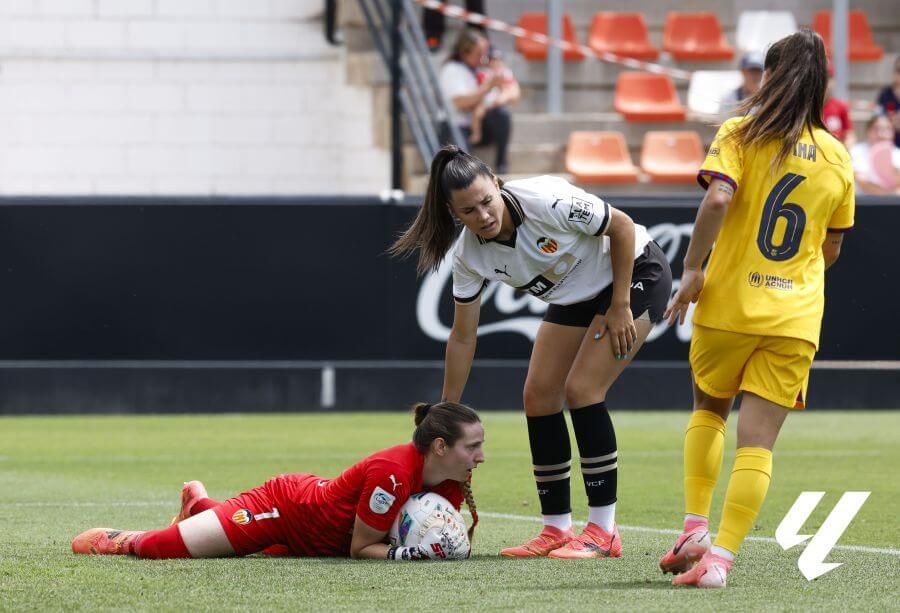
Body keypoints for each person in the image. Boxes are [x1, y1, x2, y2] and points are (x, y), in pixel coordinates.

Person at [389, 146, 673, 560]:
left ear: (498, 186)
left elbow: (623, 227)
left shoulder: (546, 200)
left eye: (487, 201)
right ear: (455, 215)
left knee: (582, 389)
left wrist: (620, 306)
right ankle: (557, 528)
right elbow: (463, 336)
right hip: (577, 295)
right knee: (538, 396)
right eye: (469, 211)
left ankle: (603, 531)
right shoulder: (470, 256)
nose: (484, 215)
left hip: (635, 273)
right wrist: (446, 410)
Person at [659, 29, 854, 589]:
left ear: (768, 76)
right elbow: (833, 246)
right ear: (823, 85)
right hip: (794, 319)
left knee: (708, 407)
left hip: (729, 304)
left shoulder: (740, 131)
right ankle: (719, 561)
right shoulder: (838, 155)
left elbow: (718, 197)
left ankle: (694, 525)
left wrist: (693, 270)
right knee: (759, 445)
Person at [71, 402, 485, 561]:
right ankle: (125, 538)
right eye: (473, 447)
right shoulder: (393, 474)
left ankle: (200, 507)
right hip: (285, 511)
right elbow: (362, 549)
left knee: (225, 539)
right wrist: (410, 557)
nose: (481, 457)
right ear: (440, 447)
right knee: (163, 549)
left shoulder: (450, 480)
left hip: (317, 542)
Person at [439, 29, 517, 173]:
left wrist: (499, 99)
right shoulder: (452, 70)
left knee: (502, 114)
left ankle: (501, 164)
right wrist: (488, 87)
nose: (483, 57)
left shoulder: (488, 66)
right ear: (464, 52)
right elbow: (461, 102)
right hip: (458, 125)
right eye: (479, 53)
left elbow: (513, 90)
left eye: (485, 52)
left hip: (482, 122)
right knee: (460, 160)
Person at [850, 114, 900, 195]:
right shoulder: (856, 151)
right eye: (876, 129)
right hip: (863, 204)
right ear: (868, 131)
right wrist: (889, 196)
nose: (882, 134)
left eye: (887, 129)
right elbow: (862, 182)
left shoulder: (897, 154)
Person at [720, 50, 764, 118]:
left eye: (759, 72)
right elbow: (723, 124)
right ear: (743, 72)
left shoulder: (768, 98)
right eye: (752, 71)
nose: (756, 76)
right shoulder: (730, 99)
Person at [823, 62, 854, 147]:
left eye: (829, 77)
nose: (826, 82)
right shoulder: (807, 109)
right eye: (822, 78)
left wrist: (844, 150)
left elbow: (850, 135)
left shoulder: (841, 107)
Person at [875, 55, 900, 148]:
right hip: (888, 146)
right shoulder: (885, 95)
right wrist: (890, 123)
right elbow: (877, 118)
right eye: (899, 70)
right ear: (894, 73)